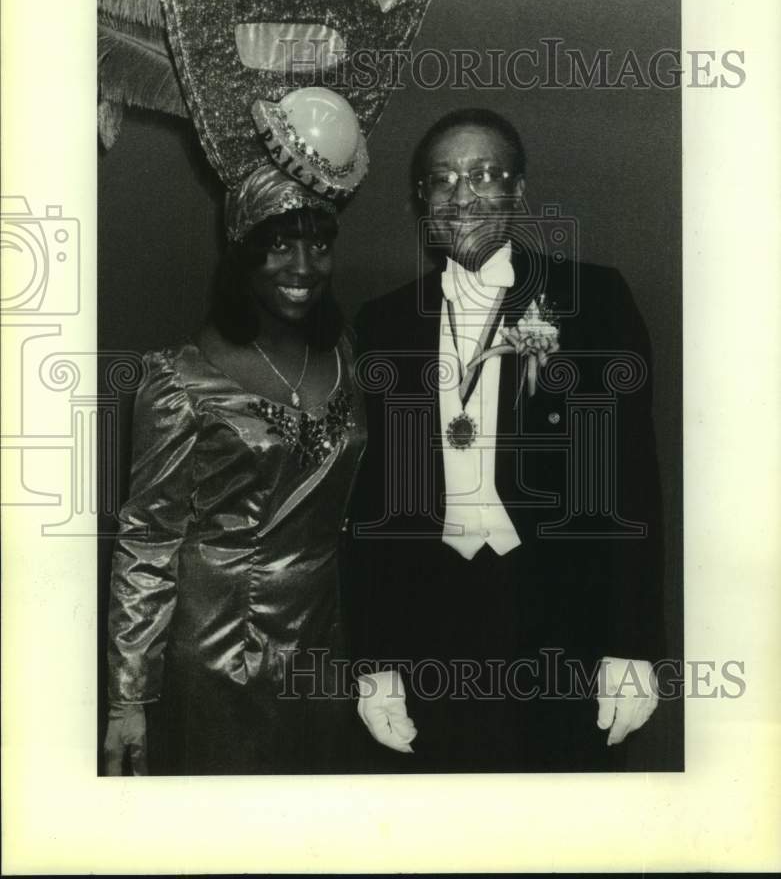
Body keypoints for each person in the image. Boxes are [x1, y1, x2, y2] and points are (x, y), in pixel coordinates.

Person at [344, 108, 666, 772]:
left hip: (564, 618)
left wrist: (632, 646)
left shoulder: (591, 298)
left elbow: (631, 477)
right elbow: (374, 503)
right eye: (441, 180)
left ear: (518, 192)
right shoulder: (383, 323)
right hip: (429, 623)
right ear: (420, 200)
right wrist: (373, 663)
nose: (461, 194)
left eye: (483, 174)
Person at [104, 165, 367, 775]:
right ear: (241, 249)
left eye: (318, 245)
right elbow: (146, 540)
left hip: (324, 643)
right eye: (278, 244)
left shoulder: (349, 354)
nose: (303, 267)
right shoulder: (180, 380)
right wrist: (128, 697)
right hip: (218, 647)